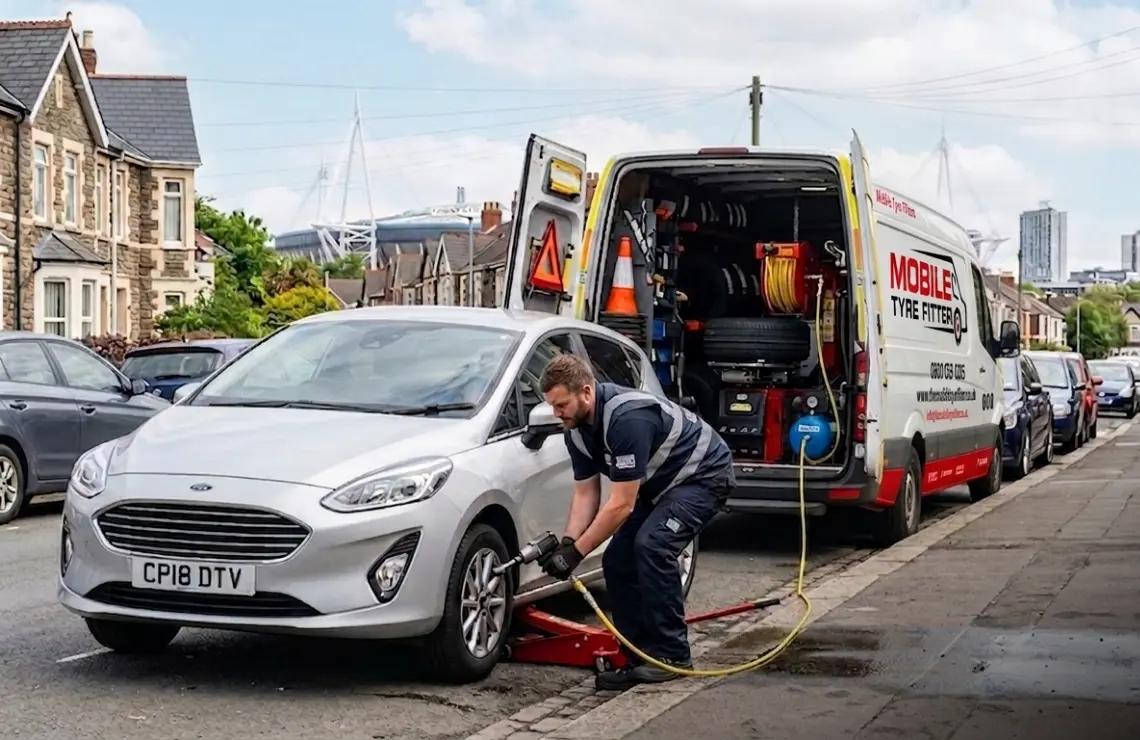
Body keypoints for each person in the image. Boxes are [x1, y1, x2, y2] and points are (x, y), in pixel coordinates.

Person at [536, 354, 735, 690]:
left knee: (653, 546)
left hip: (703, 479)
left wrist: (577, 554)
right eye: (552, 407)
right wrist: (568, 542)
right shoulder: (577, 432)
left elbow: (621, 506)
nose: (557, 414)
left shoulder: (627, 419)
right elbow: (586, 494)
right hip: (660, 486)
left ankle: (673, 656)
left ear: (586, 391)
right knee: (617, 561)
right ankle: (638, 656)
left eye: (562, 405)